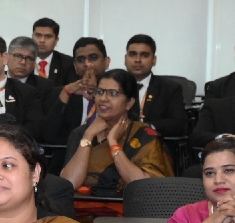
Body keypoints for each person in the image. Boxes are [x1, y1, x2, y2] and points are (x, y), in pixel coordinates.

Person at [59, 68, 173, 200]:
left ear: (129, 103)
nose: (103, 99)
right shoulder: (81, 133)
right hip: (83, 208)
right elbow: (70, 184)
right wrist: (88, 136)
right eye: (99, 92)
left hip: (129, 209)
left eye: (113, 94)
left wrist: (113, 143)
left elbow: (144, 186)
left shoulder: (144, 135)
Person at [120, 34, 193, 145]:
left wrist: (147, 127)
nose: (138, 60)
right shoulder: (115, 86)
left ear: (154, 60)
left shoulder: (170, 88)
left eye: (144, 55)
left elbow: (179, 124)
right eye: (132, 54)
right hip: (119, 144)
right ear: (125, 59)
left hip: (156, 146)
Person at [46, 35, 112, 147]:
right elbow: (49, 136)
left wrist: (97, 91)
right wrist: (66, 93)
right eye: (81, 60)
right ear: (75, 66)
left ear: (106, 62)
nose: (87, 64)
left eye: (93, 58)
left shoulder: (119, 93)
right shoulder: (63, 92)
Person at [30, 18, 77, 92]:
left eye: (48, 36)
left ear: (56, 40)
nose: (42, 40)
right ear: (32, 37)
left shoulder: (68, 63)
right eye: (38, 35)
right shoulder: (24, 60)